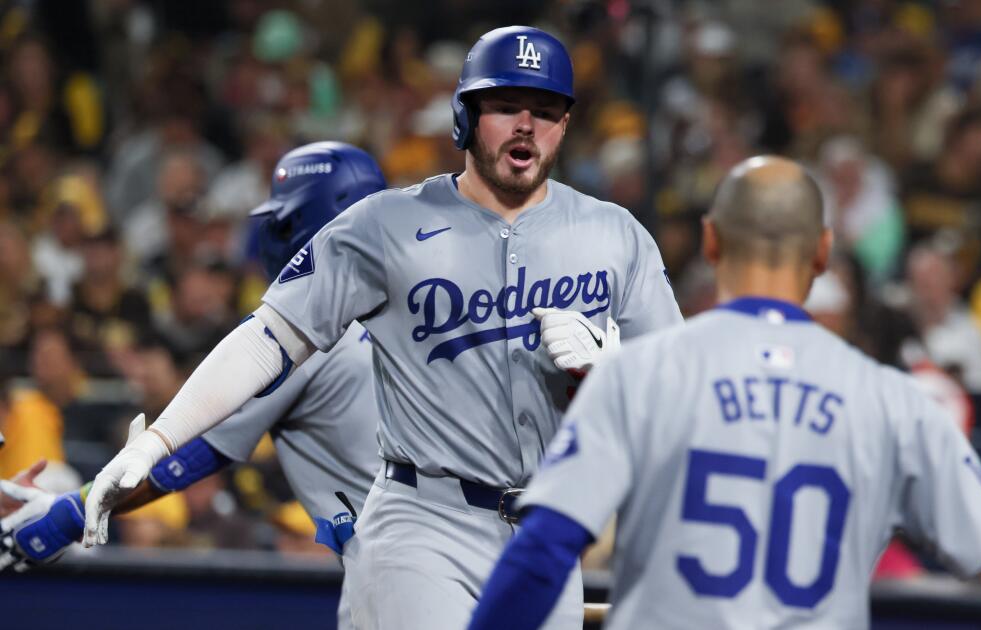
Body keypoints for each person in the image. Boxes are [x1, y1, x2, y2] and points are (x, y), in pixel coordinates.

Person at [82, 26, 682, 630]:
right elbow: (269, 337)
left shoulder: (615, 234)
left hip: (545, 536)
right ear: (465, 116)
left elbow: (679, 395)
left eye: (546, 111)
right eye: (505, 107)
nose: (527, 125)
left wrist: (616, 379)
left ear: (566, 124)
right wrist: (158, 441)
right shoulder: (387, 223)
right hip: (424, 524)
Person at [468, 156, 981, 630]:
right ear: (821, 253)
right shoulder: (891, 398)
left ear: (709, 240)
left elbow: (542, 551)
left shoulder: (641, 372)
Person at [0, 142, 385, 629]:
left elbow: (187, 454)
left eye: (286, 223)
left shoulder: (312, 329)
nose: (274, 236)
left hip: (398, 570)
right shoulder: (419, 303)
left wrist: (53, 523)